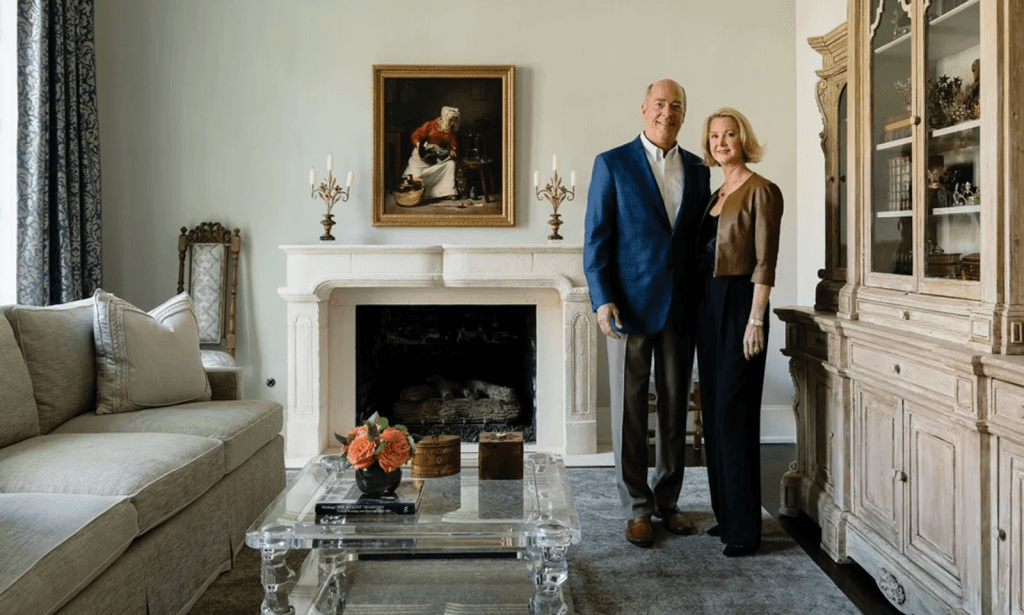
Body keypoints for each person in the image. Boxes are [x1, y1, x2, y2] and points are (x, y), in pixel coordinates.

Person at [583, 79, 711, 548]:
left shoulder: (699, 170)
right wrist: (602, 299)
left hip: (681, 307)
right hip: (629, 307)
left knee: (675, 405)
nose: (667, 112)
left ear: (683, 114)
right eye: (660, 104)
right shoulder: (612, 164)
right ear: (643, 109)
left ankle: (668, 501)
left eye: (676, 105)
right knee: (630, 410)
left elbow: (700, 243)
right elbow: (596, 239)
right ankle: (636, 507)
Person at [694, 107, 783, 557]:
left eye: (729, 135)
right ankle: (726, 515)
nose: (721, 142)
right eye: (714, 136)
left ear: (742, 139)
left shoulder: (762, 191)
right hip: (709, 308)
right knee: (713, 412)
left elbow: (765, 262)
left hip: (740, 307)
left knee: (735, 412)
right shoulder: (714, 194)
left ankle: (746, 528)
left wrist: (756, 319)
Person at [403, 106, 461, 201]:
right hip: (421, 158)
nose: (453, 123)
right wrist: (422, 148)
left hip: (436, 158)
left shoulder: (451, 130)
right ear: (444, 118)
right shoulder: (430, 125)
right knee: (414, 178)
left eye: (455, 121)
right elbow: (415, 136)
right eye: (451, 120)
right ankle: (419, 194)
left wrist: (452, 150)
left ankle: (448, 192)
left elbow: (453, 143)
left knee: (451, 164)